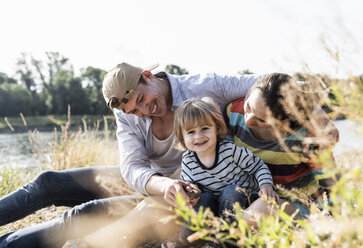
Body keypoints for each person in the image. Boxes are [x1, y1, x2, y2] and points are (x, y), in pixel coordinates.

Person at [0, 62, 262, 248]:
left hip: (191, 190)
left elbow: (267, 84)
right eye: (134, 111)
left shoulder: (204, 87)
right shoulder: (126, 114)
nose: (144, 112)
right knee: (48, 182)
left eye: (143, 100)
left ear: (147, 76)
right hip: (152, 182)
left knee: (82, 215)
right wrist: (163, 183)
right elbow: (132, 165)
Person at [225, 73, 339, 225]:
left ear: (286, 119)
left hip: (296, 204)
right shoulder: (233, 112)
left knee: (257, 213)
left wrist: (341, 222)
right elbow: (222, 156)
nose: (248, 119)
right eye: (249, 106)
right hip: (249, 194)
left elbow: (331, 182)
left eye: (262, 120)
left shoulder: (306, 137)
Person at [168, 98, 279, 247]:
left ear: (217, 128)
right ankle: (186, 241)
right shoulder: (188, 159)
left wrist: (266, 185)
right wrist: (190, 192)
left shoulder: (230, 151)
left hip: (243, 201)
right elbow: (190, 185)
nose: (199, 136)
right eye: (191, 132)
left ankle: (225, 242)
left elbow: (258, 166)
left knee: (231, 191)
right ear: (182, 137)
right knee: (202, 199)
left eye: (205, 128)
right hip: (216, 206)